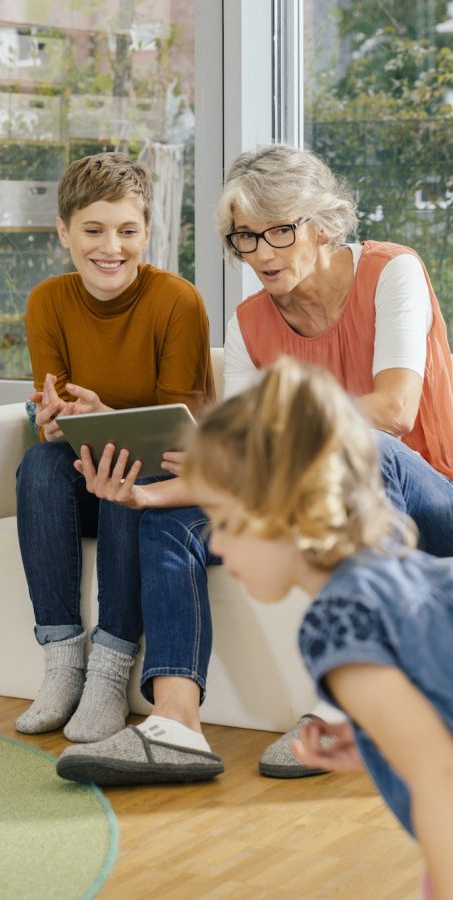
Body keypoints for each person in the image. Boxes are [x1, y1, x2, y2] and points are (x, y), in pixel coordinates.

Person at [215, 142, 453, 777]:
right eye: (245, 237)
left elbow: (396, 409)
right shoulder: (246, 326)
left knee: (368, 447)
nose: (261, 253)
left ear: (321, 222)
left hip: (435, 498)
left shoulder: (392, 272)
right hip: (322, 507)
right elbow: (242, 447)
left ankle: (348, 695)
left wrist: (285, 423)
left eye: (279, 231)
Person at [182, 357, 453, 899]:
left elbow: (436, 772)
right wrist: (377, 737)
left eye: (228, 523)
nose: (214, 545)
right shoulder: (403, 571)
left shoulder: (337, 619)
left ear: (291, 511)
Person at [15, 151, 225, 784]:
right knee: (40, 466)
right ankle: (61, 664)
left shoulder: (176, 301)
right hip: (90, 468)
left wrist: (109, 415)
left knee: (123, 474)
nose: (112, 247)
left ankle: (109, 669)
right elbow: (51, 415)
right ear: (64, 233)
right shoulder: (47, 301)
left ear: (147, 232)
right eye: (94, 231)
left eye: (127, 230)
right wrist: (51, 415)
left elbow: (178, 433)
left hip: (165, 476)